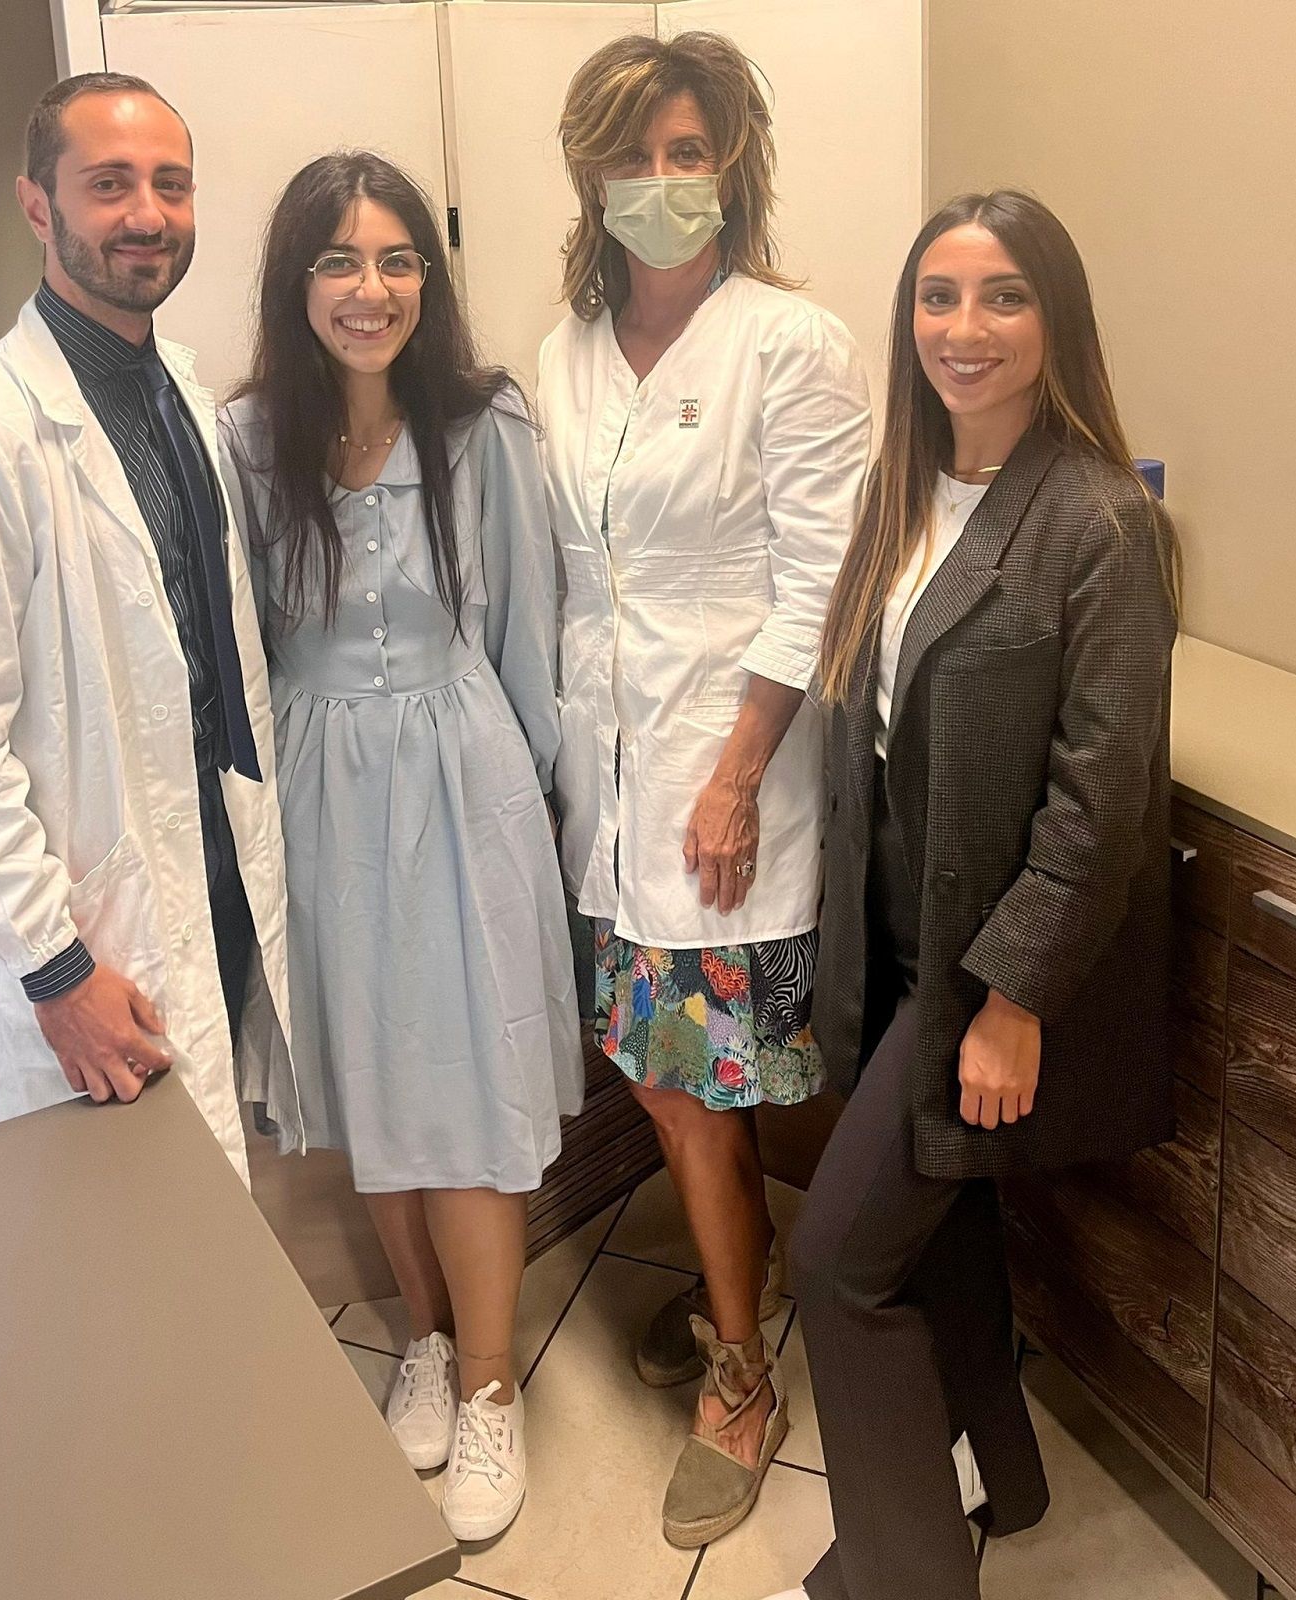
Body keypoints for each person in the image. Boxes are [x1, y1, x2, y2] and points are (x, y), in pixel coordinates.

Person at [764, 190, 1180, 1600]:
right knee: (938, 1223)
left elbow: (1099, 802)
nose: (964, 327)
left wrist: (1012, 999)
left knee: (838, 1264)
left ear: (1055, 320)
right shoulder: (899, 493)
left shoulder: (1099, 521)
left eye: (1004, 296)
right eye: (937, 296)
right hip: (891, 937)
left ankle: (901, 1575)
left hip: (974, 967)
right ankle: (1009, 1472)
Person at [218, 152, 582, 1543]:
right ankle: (425, 1341)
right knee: (371, 1085)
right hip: (318, 789)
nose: (368, 290)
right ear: (295, 282)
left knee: (468, 1100)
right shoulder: (249, 440)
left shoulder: (485, 427)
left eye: (395, 260)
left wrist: (537, 817)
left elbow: (528, 639)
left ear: (428, 277)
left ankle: (490, 1386)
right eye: (337, 261)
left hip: (458, 777)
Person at [537, 31, 871, 1547]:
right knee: (663, 1082)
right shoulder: (567, 349)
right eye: (633, 155)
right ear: (589, 174)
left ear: (734, 166)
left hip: (717, 791)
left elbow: (820, 582)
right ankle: (744, 1283)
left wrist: (736, 778)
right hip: (603, 790)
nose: (660, 181)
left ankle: (741, 1380)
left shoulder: (788, 344)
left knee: (691, 1090)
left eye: (688, 152)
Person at [0, 73, 299, 1181]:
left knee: (207, 1212)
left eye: (170, 184)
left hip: (211, 877)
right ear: (37, 205)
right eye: (109, 184)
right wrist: (56, 970)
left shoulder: (183, 397)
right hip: (88, 937)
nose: (147, 214)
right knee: (117, 1235)